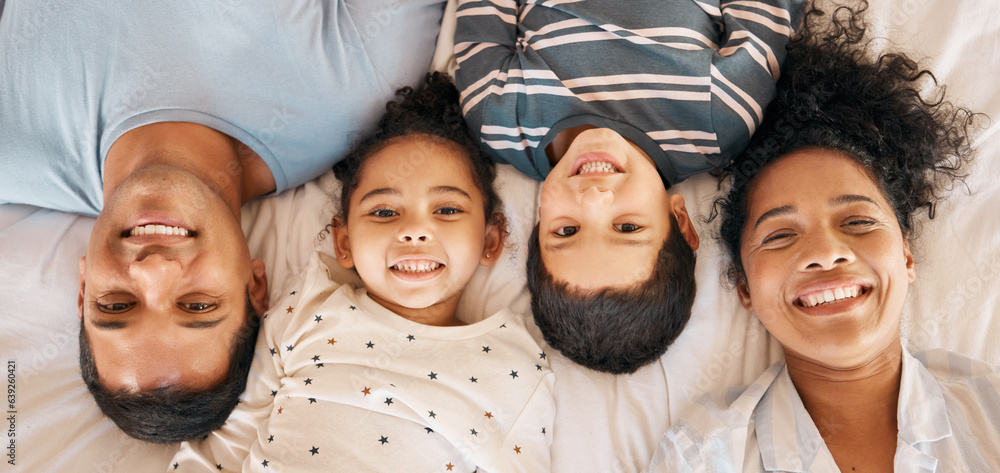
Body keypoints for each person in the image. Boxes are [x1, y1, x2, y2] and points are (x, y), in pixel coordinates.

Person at [0, 0, 447, 442]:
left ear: (83, 289)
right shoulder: (359, 83)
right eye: (197, 305)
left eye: (116, 305)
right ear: (256, 287)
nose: (153, 269)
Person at [647, 3, 1000, 471]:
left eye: (857, 222)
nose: (825, 253)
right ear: (745, 287)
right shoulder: (701, 455)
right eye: (778, 235)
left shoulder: (991, 414)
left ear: (907, 256)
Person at [169, 73, 555, 472]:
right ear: (344, 243)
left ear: (491, 240)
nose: (414, 230)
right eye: (384, 212)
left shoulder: (516, 366)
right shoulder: (307, 309)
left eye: (447, 210)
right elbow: (229, 443)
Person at [453, 0, 805, 373]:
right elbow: (766, 13)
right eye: (627, 227)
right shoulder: (718, 118)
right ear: (681, 222)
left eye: (567, 230)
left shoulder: (499, 118)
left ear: (538, 223)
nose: (593, 198)